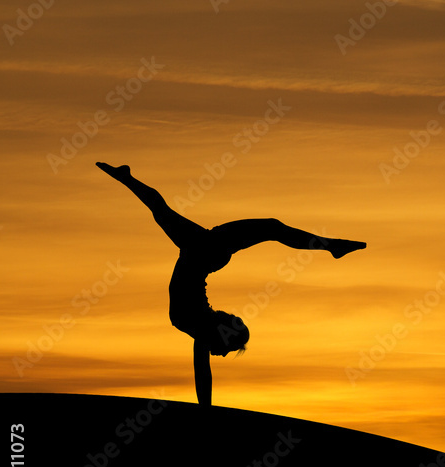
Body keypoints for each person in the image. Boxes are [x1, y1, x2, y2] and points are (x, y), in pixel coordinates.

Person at [96, 162, 365, 406]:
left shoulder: (200, 328)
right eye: (231, 347)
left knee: (265, 226)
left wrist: (206, 408)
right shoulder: (200, 325)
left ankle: (126, 178)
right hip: (205, 251)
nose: (224, 355)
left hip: (204, 251)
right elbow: (202, 369)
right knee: (268, 227)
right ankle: (331, 246)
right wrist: (206, 410)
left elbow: (201, 369)